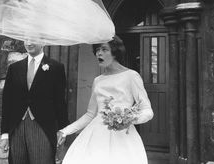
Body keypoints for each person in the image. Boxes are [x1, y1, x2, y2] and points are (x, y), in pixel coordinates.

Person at [58, 35, 154, 164]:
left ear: (115, 52)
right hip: (96, 135)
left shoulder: (131, 76)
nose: (99, 53)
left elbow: (147, 110)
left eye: (104, 49)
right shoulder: (98, 80)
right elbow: (90, 114)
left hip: (123, 136)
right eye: (97, 50)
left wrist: (130, 119)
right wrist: (65, 131)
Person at [0, 40, 68, 164]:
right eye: (27, 40)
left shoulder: (56, 67)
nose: (29, 43)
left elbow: (60, 102)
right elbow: (7, 102)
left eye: (33, 40)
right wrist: (4, 133)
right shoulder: (14, 68)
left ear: (43, 42)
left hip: (43, 126)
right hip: (17, 127)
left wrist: (63, 130)